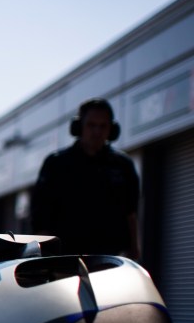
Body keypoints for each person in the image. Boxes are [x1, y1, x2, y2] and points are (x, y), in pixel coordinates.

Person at [30, 98, 141, 260]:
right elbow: (40, 215)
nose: (97, 132)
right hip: (64, 259)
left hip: (110, 260)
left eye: (103, 126)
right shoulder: (57, 164)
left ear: (112, 129)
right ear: (79, 126)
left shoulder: (123, 165)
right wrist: (45, 254)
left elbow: (131, 212)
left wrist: (134, 248)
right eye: (91, 125)